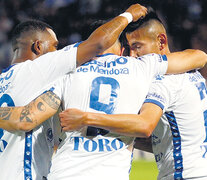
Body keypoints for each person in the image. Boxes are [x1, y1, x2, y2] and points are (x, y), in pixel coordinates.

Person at [0, 8, 207, 180]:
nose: (132, 53)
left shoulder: (66, 76)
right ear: (120, 48)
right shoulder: (142, 67)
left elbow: (26, 119)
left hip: (64, 173)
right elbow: (198, 57)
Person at [0, 4, 146, 179]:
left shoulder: (6, 80)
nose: (58, 51)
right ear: (38, 47)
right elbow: (97, 44)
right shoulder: (40, 68)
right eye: (54, 46)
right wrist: (129, 14)